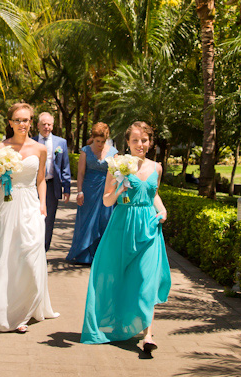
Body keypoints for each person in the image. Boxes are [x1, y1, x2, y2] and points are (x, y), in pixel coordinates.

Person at [80, 121, 171, 354]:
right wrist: (120, 188)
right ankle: (118, 323)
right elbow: (107, 200)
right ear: (128, 143)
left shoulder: (157, 168)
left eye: (144, 140)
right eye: (135, 140)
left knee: (146, 279)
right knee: (117, 277)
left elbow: (153, 195)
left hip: (149, 229)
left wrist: (162, 210)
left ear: (150, 142)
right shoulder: (117, 165)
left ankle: (147, 335)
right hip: (123, 227)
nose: (140, 144)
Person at [0, 102, 59, 333]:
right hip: (6, 203)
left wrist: (43, 204)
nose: (23, 124)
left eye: (26, 120)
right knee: (7, 254)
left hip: (31, 203)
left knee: (31, 252)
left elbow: (41, 179)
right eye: (18, 120)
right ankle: (10, 312)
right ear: (10, 122)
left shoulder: (40, 149)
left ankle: (27, 306)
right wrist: (1, 177)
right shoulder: (1, 147)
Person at [66, 122, 116, 265]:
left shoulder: (113, 153)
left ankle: (101, 256)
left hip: (107, 190)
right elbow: (80, 173)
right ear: (92, 138)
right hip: (88, 190)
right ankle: (84, 255)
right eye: (97, 141)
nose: (100, 144)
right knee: (86, 222)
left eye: (102, 141)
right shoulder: (85, 150)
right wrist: (79, 191)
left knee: (104, 220)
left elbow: (116, 175)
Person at [31, 112, 72, 252]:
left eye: (49, 124)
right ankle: (32, 249)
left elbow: (65, 167)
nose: (46, 127)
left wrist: (66, 188)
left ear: (53, 126)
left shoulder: (61, 143)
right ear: (38, 125)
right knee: (32, 218)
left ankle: (43, 250)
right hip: (33, 186)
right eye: (44, 124)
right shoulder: (31, 142)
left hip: (52, 186)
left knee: (49, 220)